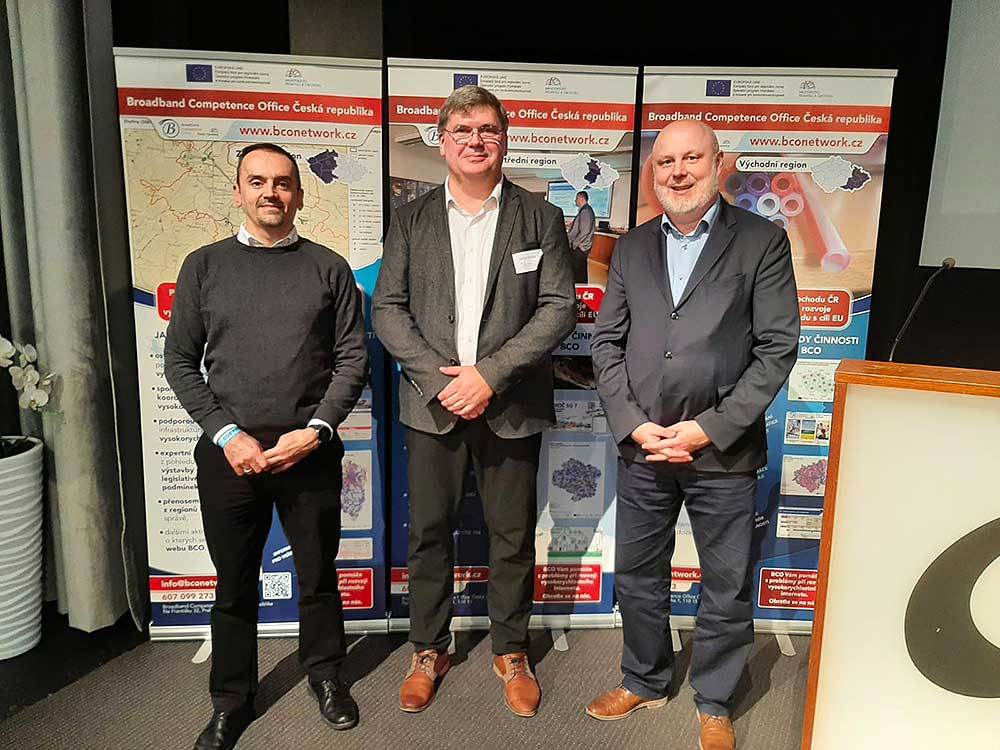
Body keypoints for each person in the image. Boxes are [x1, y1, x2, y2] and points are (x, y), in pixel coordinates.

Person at [587, 120, 800, 750]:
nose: (678, 172)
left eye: (691, 159)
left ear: (719, 163)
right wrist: (634, 424)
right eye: (665, 162)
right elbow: (607, 344)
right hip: (646, 447)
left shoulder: (762, 241)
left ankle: (714, 700)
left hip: (723, 453)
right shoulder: (631, 248)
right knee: (637, 575)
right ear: (652, 173)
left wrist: (708, 429)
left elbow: (777, 348)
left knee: (726, 584)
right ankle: (645, 678)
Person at [372, 85, 576, 718]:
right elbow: (388, 309)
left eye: (487, 129)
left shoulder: (539, 216)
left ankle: (511, 651)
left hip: (509, 404)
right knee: (429, 534)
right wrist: (443, 382)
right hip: (432, 405)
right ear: (443, 142)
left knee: (511, 536)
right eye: (462, 131)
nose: (475, 141)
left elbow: (559, 307)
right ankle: (428, 650)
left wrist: (488, 375)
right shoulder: (411, 218)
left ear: (504, 139)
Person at [164, 143, 369, 750]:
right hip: (229, 457)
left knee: (318, 577)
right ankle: (232, 701)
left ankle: (326, 676)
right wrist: (228, 435)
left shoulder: (329, 268)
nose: (270, 192)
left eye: (282, 183)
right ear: (238, 192)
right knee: (234, 585)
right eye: (257, 181)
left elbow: (352, 360)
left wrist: (317, 430)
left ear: (299, 195)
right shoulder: (203, 266)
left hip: (310, 453)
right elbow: (180, 363)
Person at [566, 190, 596, 283]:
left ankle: (580, 289)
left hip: (580, 248)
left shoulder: (585, 211)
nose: (575, 201)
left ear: (582, 199)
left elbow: (584, 232)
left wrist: (574, 244)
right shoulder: (585, 210)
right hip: (581, 247)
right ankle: (581, 288)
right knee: (580, 271)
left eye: (576, 199)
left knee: (579, 273)